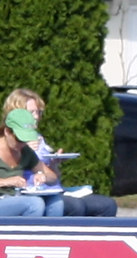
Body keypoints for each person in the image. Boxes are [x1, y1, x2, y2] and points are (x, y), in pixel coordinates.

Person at [2, 89, 117, 218]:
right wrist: (8, 180)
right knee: (40, 204)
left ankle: (56, 232)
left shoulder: (31, 144)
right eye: (31, 112)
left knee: (105, 205)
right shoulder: (11, 144)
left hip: (41, 192)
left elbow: (52, 177)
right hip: (16, 196)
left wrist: (48, 170)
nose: (36, 117)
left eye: (38, 112)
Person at [0, 108, 63, 217]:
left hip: (15, 198)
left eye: (26, 140)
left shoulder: (25, 151)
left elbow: (52, 178)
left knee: (56, 201)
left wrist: (43, 176)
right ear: (7, 131)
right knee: (34, 204)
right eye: (19, 139)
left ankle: (52, 229)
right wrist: (6, 181)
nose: (22, 144)